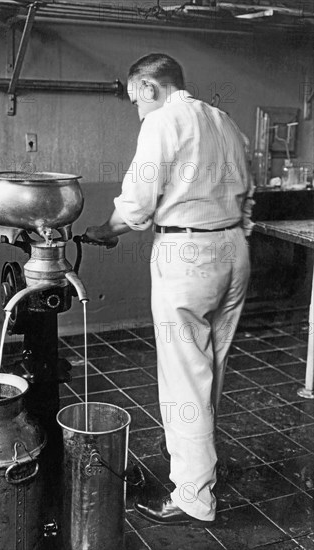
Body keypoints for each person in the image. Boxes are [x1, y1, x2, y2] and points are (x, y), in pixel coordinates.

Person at [83, 53, 253, 526]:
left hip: (188, 257)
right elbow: (248, 188)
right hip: (234, 248)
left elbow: (136, 204)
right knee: (211, 364)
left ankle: (193, 495)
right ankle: (195, 451)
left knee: (184, 375)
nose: (136, 107)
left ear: (150, 87)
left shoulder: (162, 122)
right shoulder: (222, 119)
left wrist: (106, 229)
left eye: (136, 97)